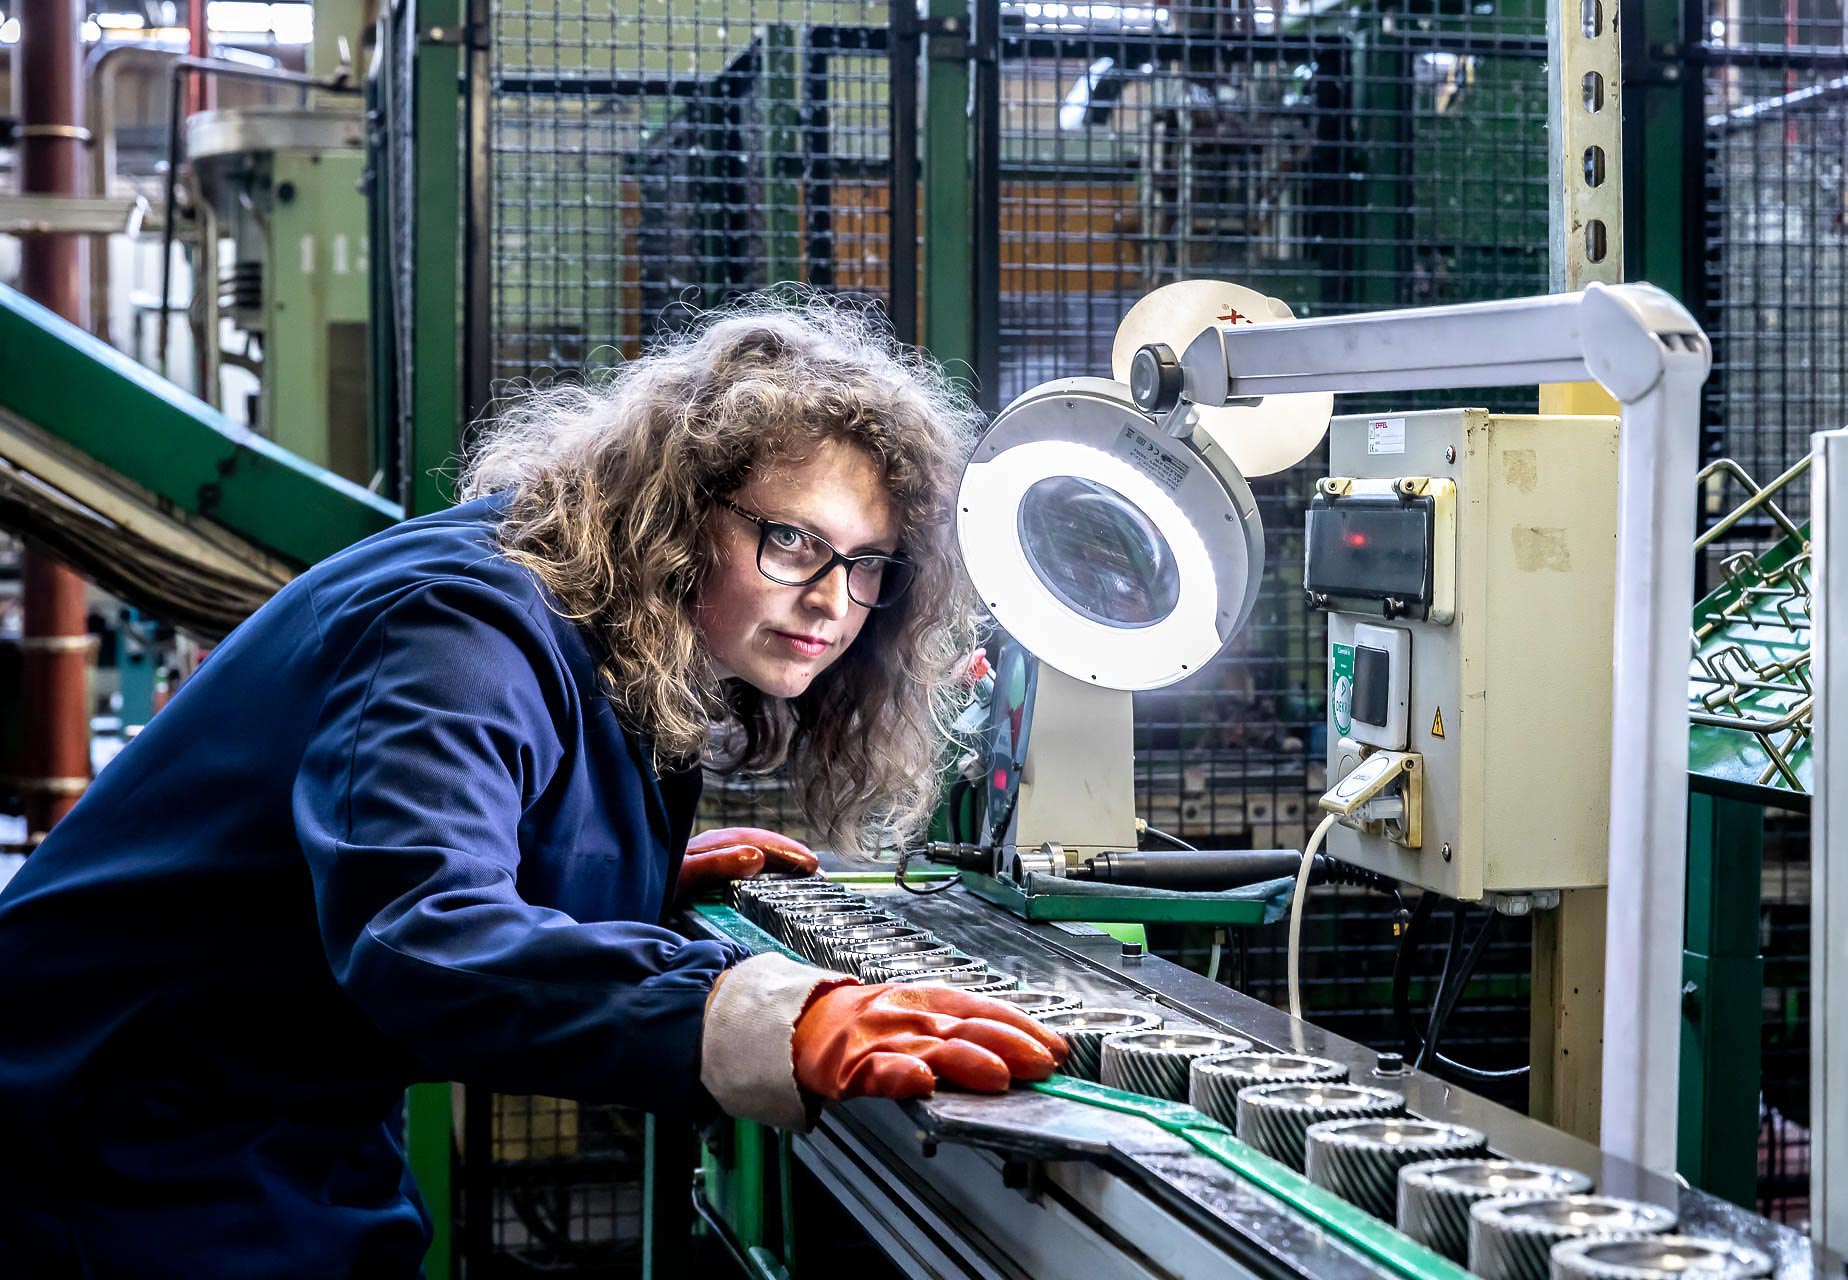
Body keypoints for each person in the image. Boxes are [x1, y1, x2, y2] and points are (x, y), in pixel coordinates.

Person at [0, 297, 1068, 1277]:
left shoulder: (595, 621)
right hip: (100, 1143)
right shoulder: (461, 626)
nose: (834, 600)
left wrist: (591, 870)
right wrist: (767, 1017)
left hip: (257, 1120)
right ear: (679, 510)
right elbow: (418, 931)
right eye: (793, 540)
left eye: (869, 563)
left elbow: (421, 836)